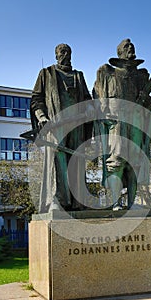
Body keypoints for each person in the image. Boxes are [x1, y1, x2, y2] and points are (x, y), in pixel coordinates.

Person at [93, 39, 151, 210]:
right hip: (117, 125)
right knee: (116, 162)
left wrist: (147, 102)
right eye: (126, 47)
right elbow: (98, 99)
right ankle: (114, 203)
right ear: (120, 53)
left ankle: (134, 203)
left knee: (136, 162)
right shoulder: (107, 74)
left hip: (136, 123)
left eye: (132, 47)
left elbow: (150, 105)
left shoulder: (141, 77)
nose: (130, 48)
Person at [30, 43, 93, 212]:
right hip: (56, 125)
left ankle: (78, 202)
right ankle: (56, 200)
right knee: (58, 160)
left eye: (68, 52)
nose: (65, 54)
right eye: (62, 52)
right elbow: (37, 99)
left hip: (77, 126)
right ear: (56, 55)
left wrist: (90, 110)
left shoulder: (78, 76)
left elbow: (87, 100)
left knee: (76, 160)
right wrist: (42, 117)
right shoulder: (46, 74)